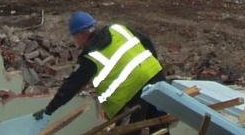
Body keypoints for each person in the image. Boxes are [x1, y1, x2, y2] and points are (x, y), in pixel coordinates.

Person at [33, 11, 165, 123]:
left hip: (130, 97)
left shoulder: (90, 58)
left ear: (80, 34)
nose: (76, 42)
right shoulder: (117, 29)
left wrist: (48, 110)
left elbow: (70, 87)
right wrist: (151, 66)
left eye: (75, 37)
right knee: (160, 124)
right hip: (156, 78)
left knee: (130, 131)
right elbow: (146, 41)